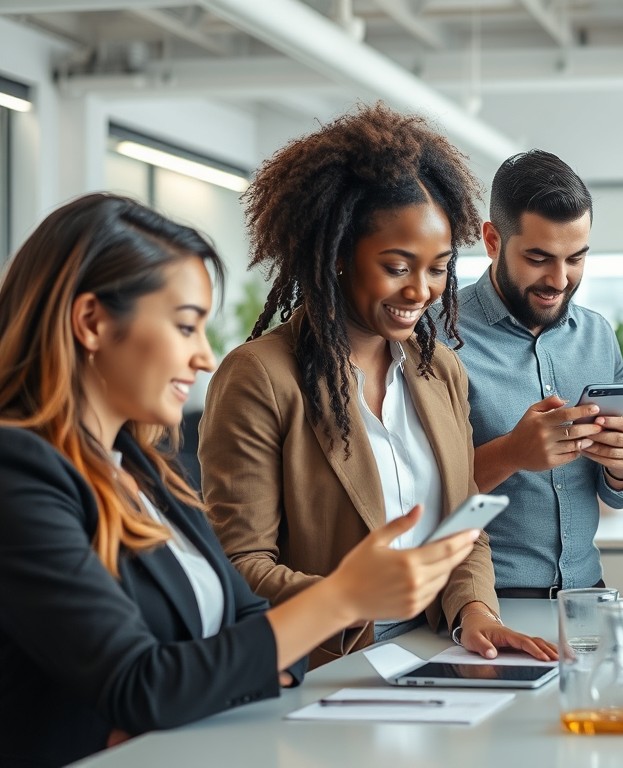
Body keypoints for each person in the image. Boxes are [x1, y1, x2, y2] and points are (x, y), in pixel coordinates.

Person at [0, 194, 481, 766]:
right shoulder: (18, 470)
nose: (205, 357)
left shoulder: (145, 470)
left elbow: (247, 620)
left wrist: (199, 682)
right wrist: (343, 596)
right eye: (185, 327)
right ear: (92, 322)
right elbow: (141, 683)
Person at [200, 104, 555, 668]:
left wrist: (477, 615)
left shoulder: (439, 370)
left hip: (435, 650)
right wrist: (352, 597)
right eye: (397, 267)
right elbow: (238, 564)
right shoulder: (262, 377)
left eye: (438, 267)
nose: (422, 290)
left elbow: (464, 526)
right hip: (329, 664)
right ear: (338, 256)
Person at [452, 150, 623, 597]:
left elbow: (620, 496)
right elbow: (416, 496)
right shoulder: (437, 339)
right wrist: (511, 454)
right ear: (492, 241)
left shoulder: (597, 335)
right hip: (485, 601)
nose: (559, 279)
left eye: (576, 258)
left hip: (589, 594)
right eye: (539, 258)